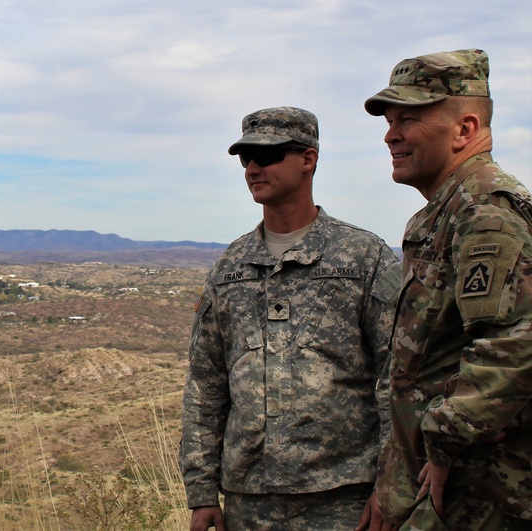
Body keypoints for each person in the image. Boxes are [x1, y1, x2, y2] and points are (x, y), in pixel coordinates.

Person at [179, 107, 402, 531]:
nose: (254, 168)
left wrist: (391, 483)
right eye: (246, 158)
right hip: (249, 501)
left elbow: (398, 377)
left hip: (345, 498)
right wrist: (202, 492)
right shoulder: (230, 266)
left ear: (308, 159)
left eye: (270, 154)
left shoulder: (361, 257)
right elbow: (206, 384)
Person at [365, 48, 532, 530]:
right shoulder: (445, 210)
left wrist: (444, 440)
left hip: (476, 488)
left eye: (409, 119)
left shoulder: (485, 210)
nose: (390, 134)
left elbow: (515, 343)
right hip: (439, 481)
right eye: (390, 120)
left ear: (465, 129)